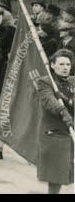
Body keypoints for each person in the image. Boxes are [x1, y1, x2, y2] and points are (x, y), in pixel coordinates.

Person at [37, 49, 75, 194]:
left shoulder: (73, 81)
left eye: (68, 64)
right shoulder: (45, 81)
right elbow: (49, 101)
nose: (65, 67)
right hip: (53, 132)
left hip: (69, 130)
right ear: (52, 65)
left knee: (65, 171)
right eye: (61, 64)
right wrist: (63, 110)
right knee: (56, 173)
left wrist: (68, 100)